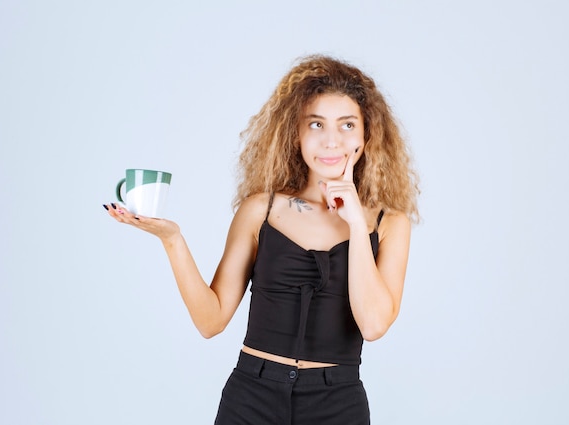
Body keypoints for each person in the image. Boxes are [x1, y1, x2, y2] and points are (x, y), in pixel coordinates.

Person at [103, 54, 419, 424]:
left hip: (338, 404)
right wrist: (172, 240)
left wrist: (353, 220)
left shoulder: (389, 222)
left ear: (366, 135)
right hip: (252, 398)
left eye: (347, 125)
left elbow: (374, 325)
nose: (331, 141)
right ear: (296, 134)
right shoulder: (261, 210)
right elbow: (211, 321)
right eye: (316, 124)